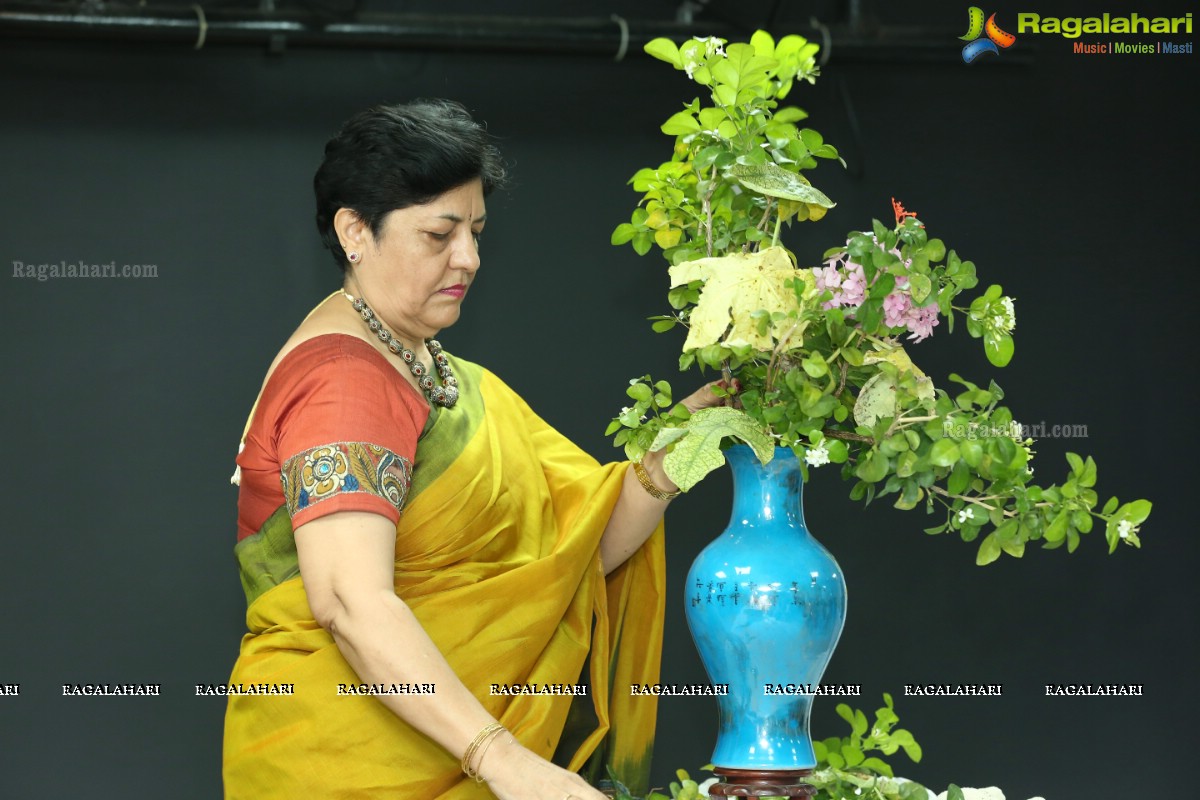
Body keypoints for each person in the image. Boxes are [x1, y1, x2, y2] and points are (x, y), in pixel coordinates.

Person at [223, 99, 718, 800]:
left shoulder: (445, 376)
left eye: (477, 232)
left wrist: (688, 447)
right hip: (355, 766)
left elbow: (572, 551)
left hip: (455, 751)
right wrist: (506, 760)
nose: (470, 258)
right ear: (354, 230)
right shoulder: (345, 386)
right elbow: (349, 602)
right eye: (439, 234)